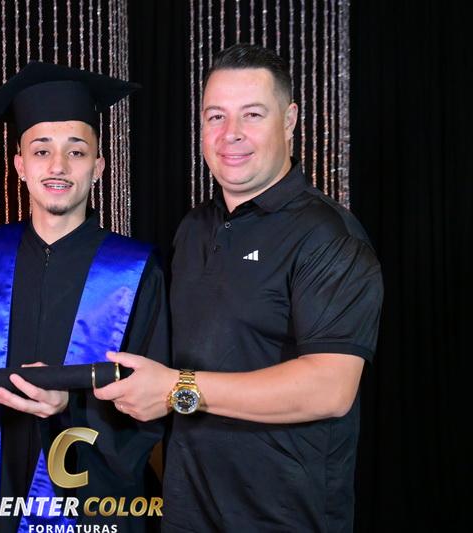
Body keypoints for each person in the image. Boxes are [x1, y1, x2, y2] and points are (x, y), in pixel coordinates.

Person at [94, 44, 384, 532]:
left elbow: (330, 388)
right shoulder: (194, 229)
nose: (231, 134)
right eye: (216, 116)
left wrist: (178, 389)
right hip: (187, 512)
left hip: (284, 518)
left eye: (252, 114)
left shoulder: (328, 237)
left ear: (289, 120)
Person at [0, 61, 169, 532]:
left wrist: (68, 410)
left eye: (76, 151)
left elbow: (151, 406)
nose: (58, 166)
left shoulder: (136, 271)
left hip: (92, 501)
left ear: (98, 167)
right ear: (19, 165)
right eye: (41, 150)